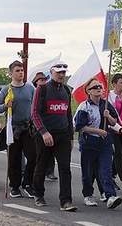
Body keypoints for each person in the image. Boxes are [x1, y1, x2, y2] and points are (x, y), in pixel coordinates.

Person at [32, 61, 77, 211]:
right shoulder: (42, 89)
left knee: (65, 168)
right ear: (51, 72)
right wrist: (44, 132)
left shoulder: (66, 90)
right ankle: (38, 194)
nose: (61, 75)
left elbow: (68, 114)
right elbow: (35, 113)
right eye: (58, 72)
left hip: (63, 134)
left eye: (64, 72)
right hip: (45, 134)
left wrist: (71, 137)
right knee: (42, 165)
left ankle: (66, 201)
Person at [74, 77, 122, 209]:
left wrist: (108, 116)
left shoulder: (106, 104)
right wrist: (97, 131)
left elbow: (114, 123)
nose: (98, 89)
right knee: (88, 170)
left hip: (104, 142)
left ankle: (110, 195)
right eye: (95, 87)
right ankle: (88, 194)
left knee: (105, 169)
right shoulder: (84, 106)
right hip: (89, 142)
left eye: (100, 87)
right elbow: (80, 127)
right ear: (88, 91)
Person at [0, 60, 36, 198]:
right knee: (14, 158)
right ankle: (14, 186)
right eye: (18, 71)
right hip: (13, 128)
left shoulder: (30, 88)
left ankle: (28, 183)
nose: (21, 73)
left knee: (33, 156)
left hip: (28, 127)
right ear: (11, 73)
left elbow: (36, 103)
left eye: (22, 70)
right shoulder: (6, 90)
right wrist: (6, 106)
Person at [31, 72, 58, 181]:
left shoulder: (47, 92)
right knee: (36, 153)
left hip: (48, 126)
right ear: (36, 82)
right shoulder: (33, 92)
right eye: (40, 80)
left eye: (44, 80)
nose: (43, 82)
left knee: (50, 151)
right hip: (34, 127)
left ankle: (50, 171)